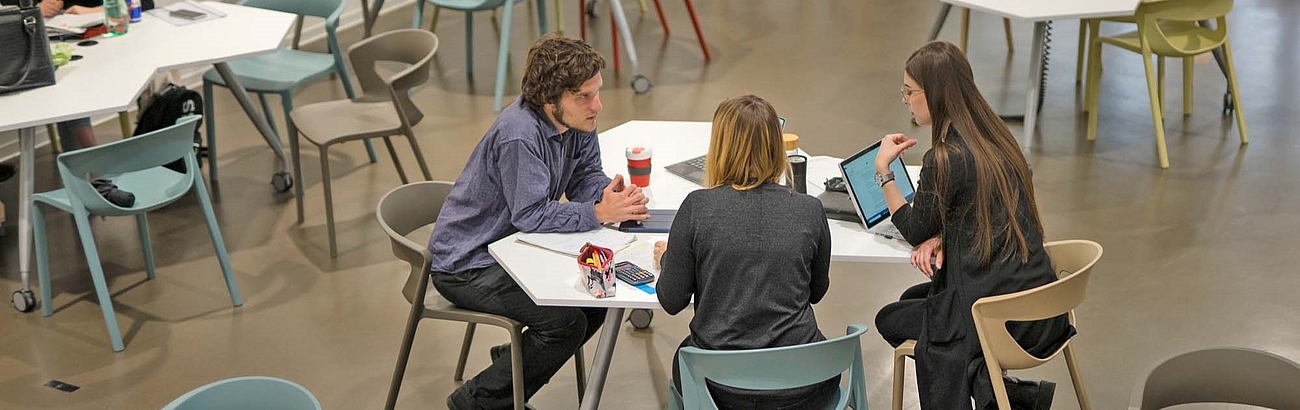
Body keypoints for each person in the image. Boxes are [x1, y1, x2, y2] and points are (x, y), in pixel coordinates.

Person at [427, 34, 649, 410]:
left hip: (510, 248)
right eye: (583, 96)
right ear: (550, 100)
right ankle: (477, 402)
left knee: (599, 298)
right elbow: (530, 215)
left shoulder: (578, 120)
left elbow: (584, 176)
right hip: (468, 264)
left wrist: (606, 193)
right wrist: (598, 214)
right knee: (565, 325)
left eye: (597, 92)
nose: (597, 105)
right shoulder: (520, 135)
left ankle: (517, 359)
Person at [872, 41, 1075, 410]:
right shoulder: (996, 138)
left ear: (934, 94)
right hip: (1042, 308)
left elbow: (915, 229)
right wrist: (946, 235)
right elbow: (980, 206)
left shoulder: (944, 157)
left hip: (998, 319)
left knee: (889, 318)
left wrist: (884, 174)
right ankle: (1000, 391)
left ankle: (1009, 396)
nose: (904, 100)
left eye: (909, 91)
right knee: (912, 300)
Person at [653, 95, 840, 409]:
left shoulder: (696, 208)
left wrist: (671, 259)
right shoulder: (809, 209)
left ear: (720, 148)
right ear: (776, 149)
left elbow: (672, 301)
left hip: (719, 388)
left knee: (683, 358)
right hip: (803, 385)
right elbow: (816, 291)